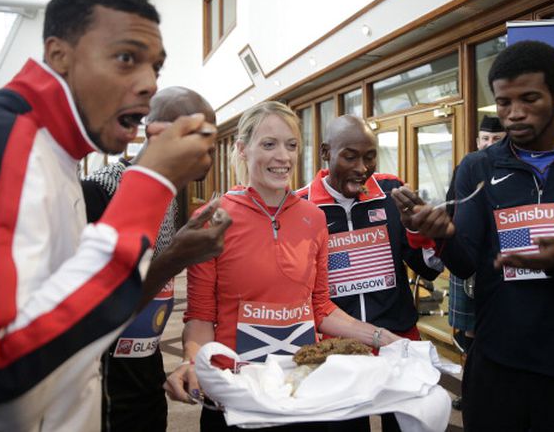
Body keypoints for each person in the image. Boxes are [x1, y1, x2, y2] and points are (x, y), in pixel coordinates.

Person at [0, 0, 216, 431]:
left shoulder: (53, 156)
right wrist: (150, 184)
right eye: (126, 58)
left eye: (155, 67)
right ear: (59, 55)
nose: (147, 83)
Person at [392, 40, 554, 431]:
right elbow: (465, 263)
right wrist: (441, 235)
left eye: (530, 99)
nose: (515, 114)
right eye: (504, 103)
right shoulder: (477, 167)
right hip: (497, 370)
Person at [164, 101, 404, 431]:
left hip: (298, 390)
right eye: (269, 144)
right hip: (236, 392)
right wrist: (192, 361)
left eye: (291, 145)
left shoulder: (313, 218)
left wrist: (382, 337)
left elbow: (319, 307)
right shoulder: (213, 219)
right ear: (242, 149)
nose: (283, 157)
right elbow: (202, 314)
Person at [82, 86, 230, 431]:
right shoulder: (98, 193)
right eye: (199, 138)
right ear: (156, 133)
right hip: (101, 397)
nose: (208, 154)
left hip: (146, 388)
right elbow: (91, 315)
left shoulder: (172, 197)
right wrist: (176, 258)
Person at [297, 114, 443, 432]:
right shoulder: (301, 206)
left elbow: (429, 270)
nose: (362, 167)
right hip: (337, 350)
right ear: (325, 152)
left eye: (370, 155)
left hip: (396, 340)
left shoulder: (393, 192)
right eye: (349, 156)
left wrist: (421, 232)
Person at [446, 115, 505, 411]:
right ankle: (470, 389)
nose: (488, 144)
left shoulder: (512, 167)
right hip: (467, 256)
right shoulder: (466, 167)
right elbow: (449, 209)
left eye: (496, 139)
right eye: (484, 138)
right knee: (467, 331)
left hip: (498, 262)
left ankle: (491, 392)